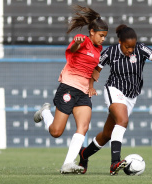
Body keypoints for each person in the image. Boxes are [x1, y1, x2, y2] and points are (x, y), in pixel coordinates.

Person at [78, 24, 152, 175]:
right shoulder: (110, 52)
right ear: (120, 42)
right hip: (114, 89)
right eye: (127, 47)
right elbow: (95, 69)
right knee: (122, 120)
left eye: (133, 47)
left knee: (107, 134)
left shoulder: (141, 49)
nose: (131, 50)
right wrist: (91, 85)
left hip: (131, 96)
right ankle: (114, 163)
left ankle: (84, 154)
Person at [33, 5, 108, 174]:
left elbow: (93, 71)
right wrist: (77, 43)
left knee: (84, 126)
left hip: (83, 92)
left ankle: (67, 164)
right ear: (91, 32)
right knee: (56, 132)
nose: (103, 39)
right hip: (68, 87)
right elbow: (72, 49)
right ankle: (45, 112)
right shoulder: (81, 39)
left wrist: (91, 87)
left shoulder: (99, 49)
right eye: (101, 35)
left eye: (105, 36)